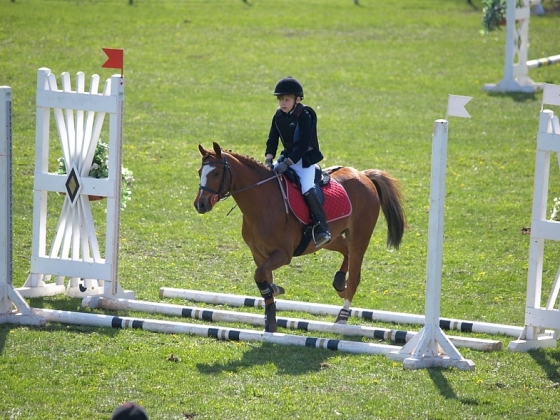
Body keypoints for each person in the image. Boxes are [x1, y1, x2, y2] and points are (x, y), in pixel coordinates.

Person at [264, 76, 331, 247]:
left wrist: (288, 163)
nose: (283, 103)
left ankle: (322, 227)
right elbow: (272, 140)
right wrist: (269, 159)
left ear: (297, 99)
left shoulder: (305, 115)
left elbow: (302, 146)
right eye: (281, 99)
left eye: (287, 99)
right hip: (286, 158)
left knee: (307, 187)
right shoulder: (278, 116)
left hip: (304, 161)